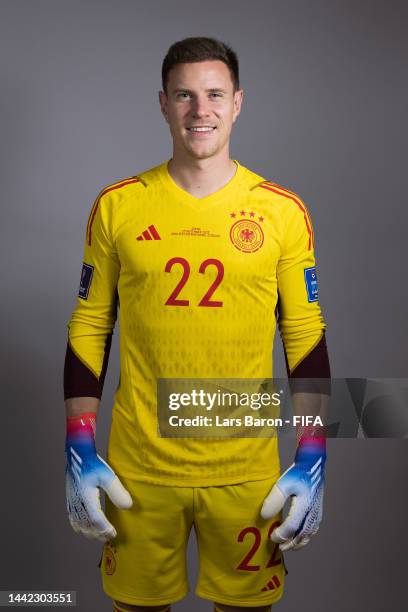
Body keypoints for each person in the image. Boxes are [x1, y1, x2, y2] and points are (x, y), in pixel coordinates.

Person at [64, 37, 330, 612]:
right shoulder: (118, 205)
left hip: (247, 472)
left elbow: (305, 339)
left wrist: (312, 453)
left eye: (214, 95)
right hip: (138, 472)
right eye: (184, 95)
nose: (199, 110)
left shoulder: (281, 212)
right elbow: (90, 324)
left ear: (238, 103)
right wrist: (79, 444)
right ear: (163, 104)